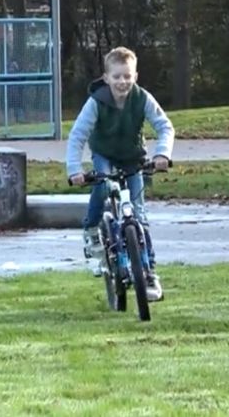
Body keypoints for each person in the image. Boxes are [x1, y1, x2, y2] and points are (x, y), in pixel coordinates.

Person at [66, 47, 174, 301]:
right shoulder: (96, 102)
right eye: (117, 77)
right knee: (102, 186)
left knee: (139, 214)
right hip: (104, 154)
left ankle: (149, 272)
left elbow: (164, 126)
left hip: (133, 157)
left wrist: (162, 154)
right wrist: (75, 170)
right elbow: (77, 136)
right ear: (106, 78)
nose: (122, 82)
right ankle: (92, 232)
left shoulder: (143, 98)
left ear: (135, 76)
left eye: (127, 76)